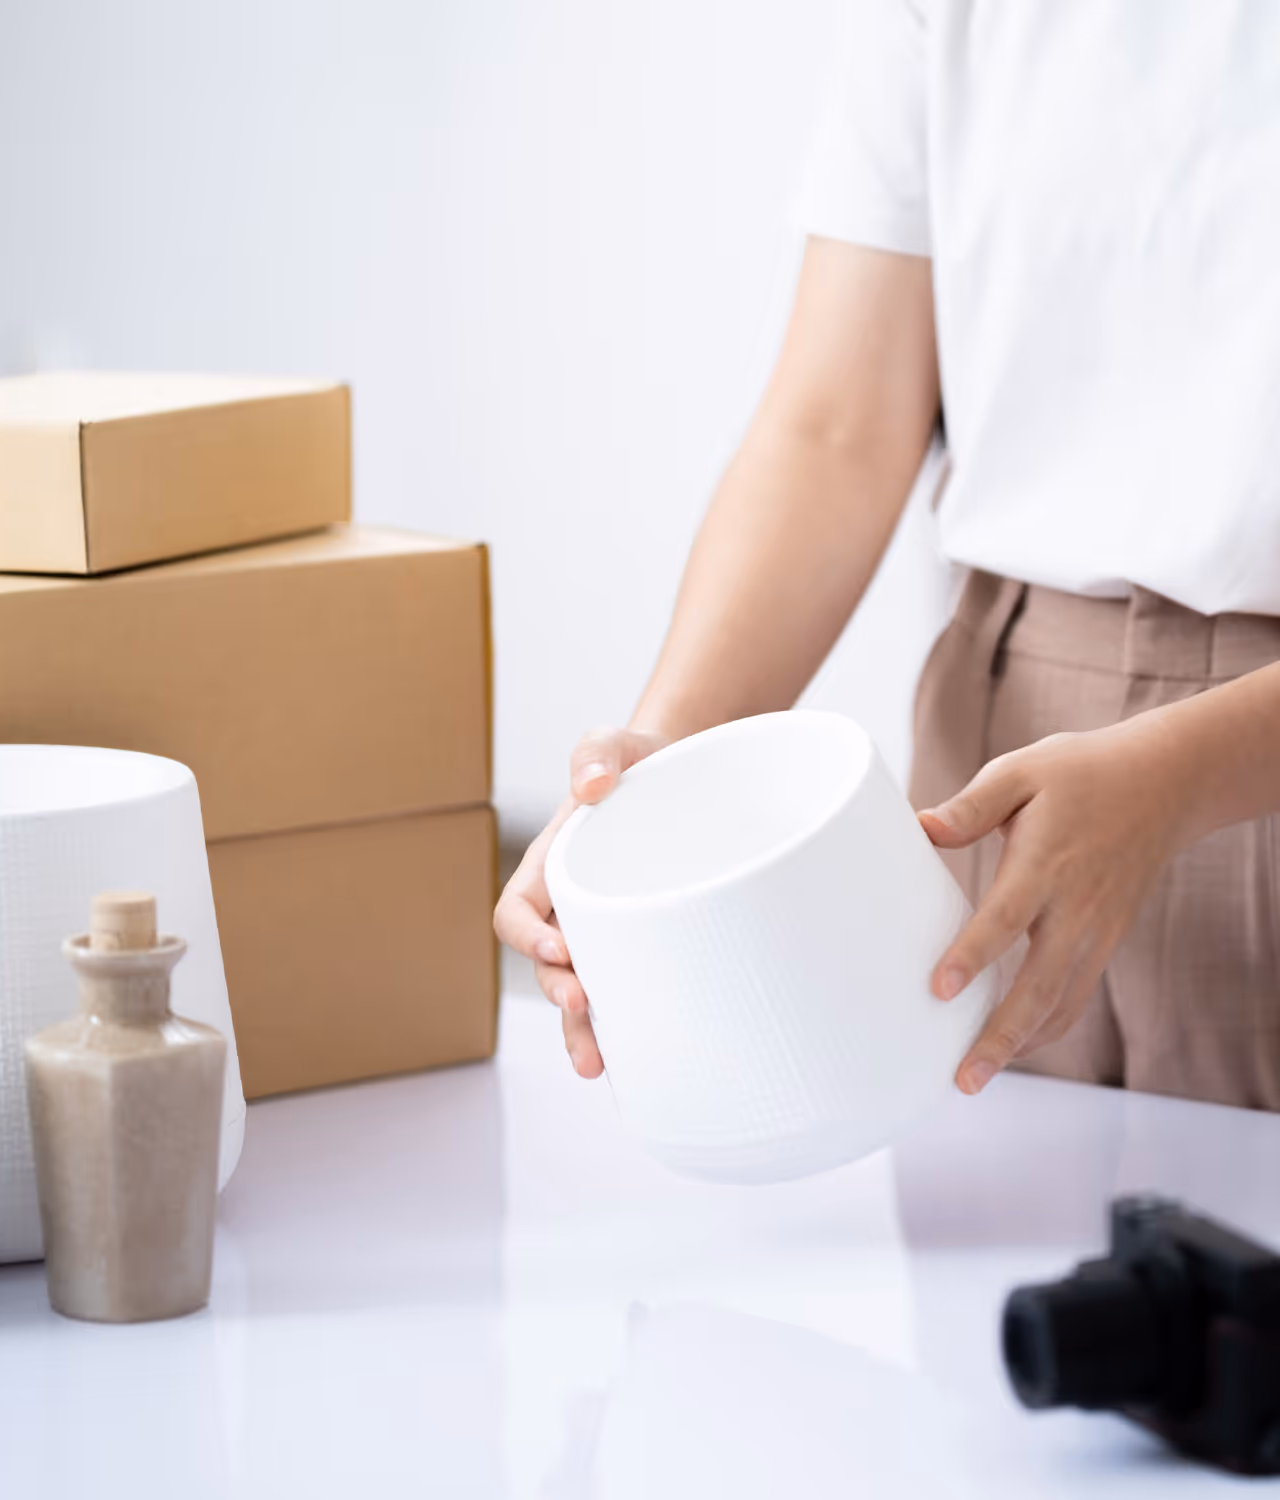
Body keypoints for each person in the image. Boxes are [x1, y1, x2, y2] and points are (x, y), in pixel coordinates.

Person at [495, 0, 1280, 1111]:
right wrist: (656, 766)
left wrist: (1183, 774)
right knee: (993, 1259)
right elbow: (837, 431)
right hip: (1000, 745)